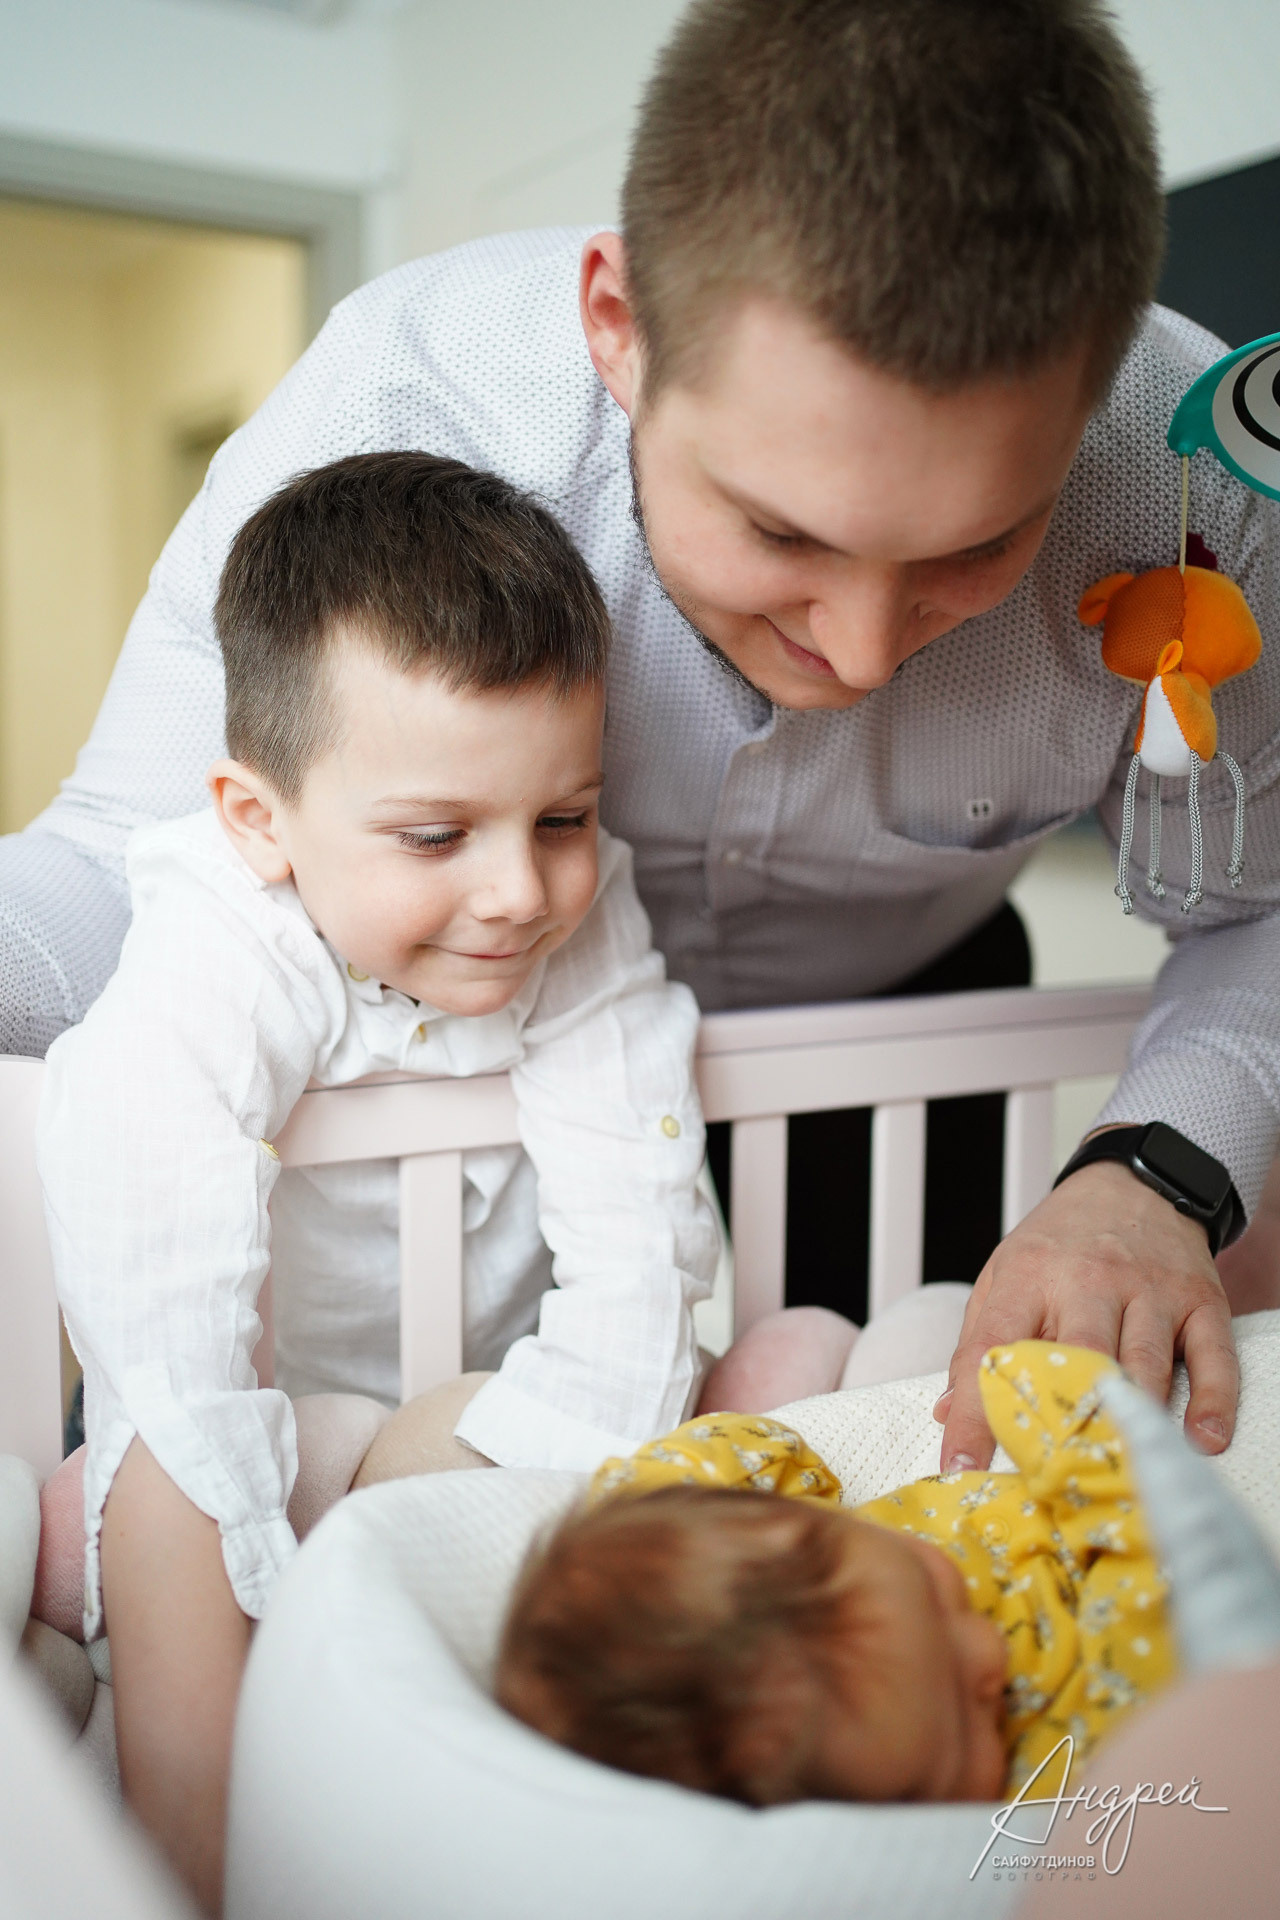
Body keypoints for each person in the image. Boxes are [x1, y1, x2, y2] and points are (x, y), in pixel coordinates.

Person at [5, 0, 1278, 1561]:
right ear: (619, 325)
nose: (866, 656)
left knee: (878, 1519)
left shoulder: (1200, 477)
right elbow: (116, 875)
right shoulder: (404, 407)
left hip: (902, 1038)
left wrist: (1156, 1167)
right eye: (782, 535)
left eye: (974, 551)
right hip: (471, 1104)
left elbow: (1257, 907)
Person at [35, 451, 717, 1909]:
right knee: (144, 1479)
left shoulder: (576, 927)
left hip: (465, 1434)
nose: (519, 892)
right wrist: (243, 1534)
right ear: (257, 819)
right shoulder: (215, 938)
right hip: (243, 1441)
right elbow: (170, 1332)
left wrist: (548, 1463)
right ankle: (201, 1863)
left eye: (563, 817)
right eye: (434, 837)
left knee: (751, 1381)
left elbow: (641, 1243)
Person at [496, 1341, 1178, 1807]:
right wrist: (1094, 1457)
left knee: (873, 1332)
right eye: (964, 1719)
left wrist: (662, 1523)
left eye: (937, 1594)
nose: (987, 1653)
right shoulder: (1047, 1782)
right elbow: (1159, 1606)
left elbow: (707, 1467)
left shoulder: (832, 1564)